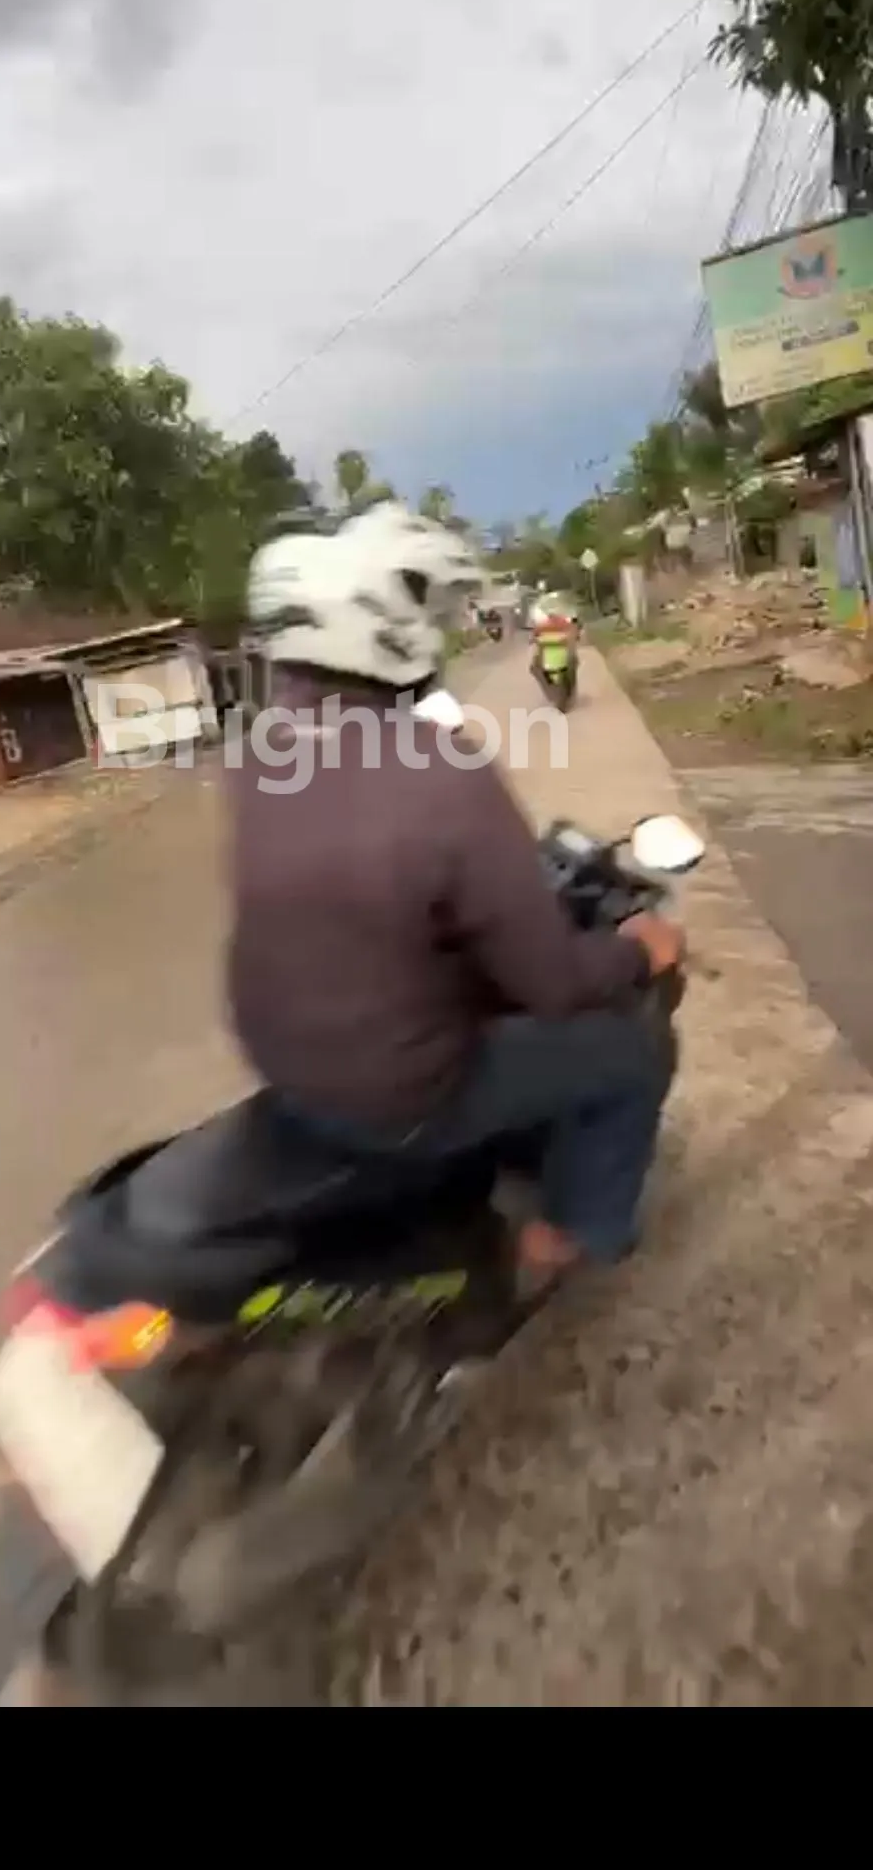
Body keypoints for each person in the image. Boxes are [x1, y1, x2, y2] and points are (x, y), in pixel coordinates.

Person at [227, 502, 683, 1284]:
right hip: (401, 1093)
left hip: (282, 1067)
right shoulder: (442, 770)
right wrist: (639, 950)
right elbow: (553, 982)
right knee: (628, 1053)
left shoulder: (257, 752)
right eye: (420, 608)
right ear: (380, 626)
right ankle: (566, 1235)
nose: (433, 630)